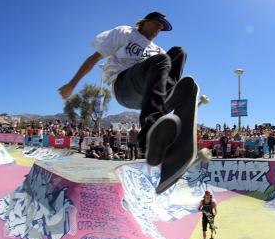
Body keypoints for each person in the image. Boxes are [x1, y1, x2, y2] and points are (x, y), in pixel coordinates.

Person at [58, 12, 188, 166]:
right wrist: (72, 84)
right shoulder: (125, 33)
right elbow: (94, 58)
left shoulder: (158, 50)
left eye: (160, 28)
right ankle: (150, 130)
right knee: (162, 59)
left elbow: (169, 72)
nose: (157, 30)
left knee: (179, 52)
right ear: (144, 22)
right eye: (156, 24)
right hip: (124, 87)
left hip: (146, 95)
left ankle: (166, 118)